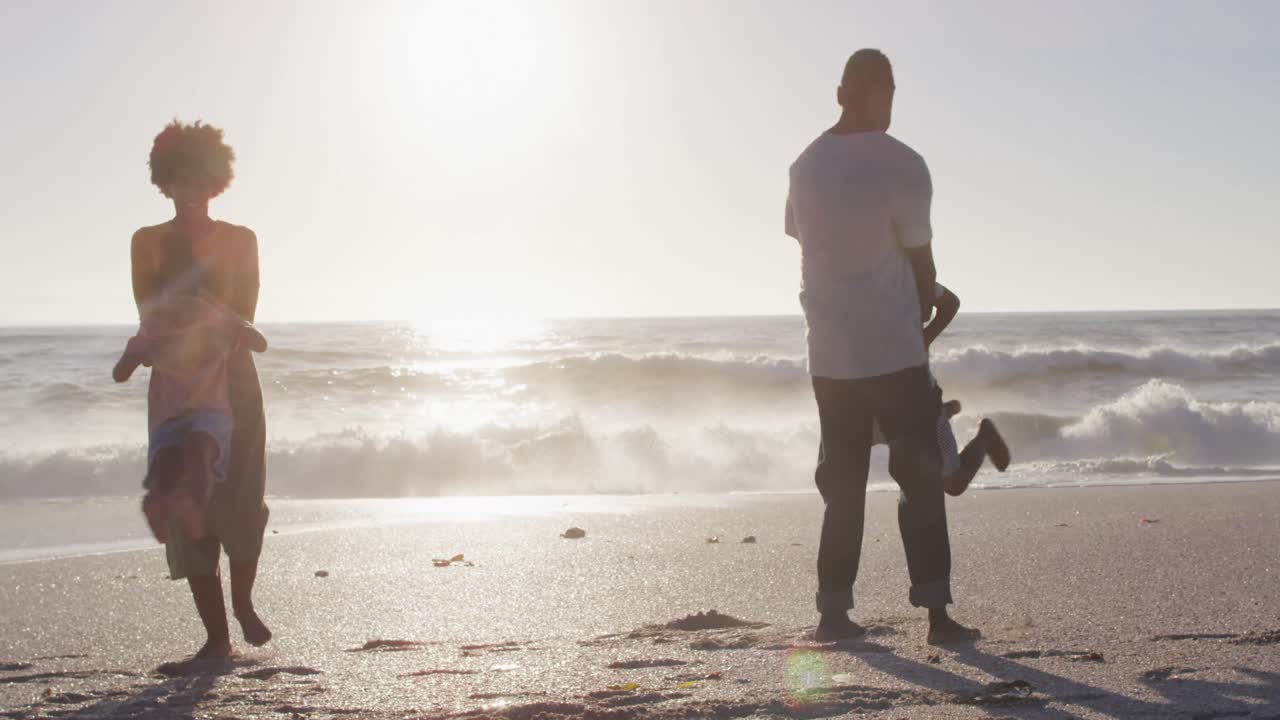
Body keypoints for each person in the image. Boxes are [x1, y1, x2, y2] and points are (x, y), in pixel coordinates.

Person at [785, 49, 979, 644]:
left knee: (841, 484)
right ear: (863, 95)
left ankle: (833, 613)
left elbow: (801, 238)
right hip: (894, 350)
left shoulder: (804, 165)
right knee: (918, 479)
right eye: (885, 94)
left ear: (839, 94)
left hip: (831, 353)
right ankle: (937, 616)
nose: (888, 106)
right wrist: (925, 308)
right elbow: (921, 258)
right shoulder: (904, 163)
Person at [130, 120, 272, 663]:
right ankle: (215, 637)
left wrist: (208, 320)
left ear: (216, 181)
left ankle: (243, 604)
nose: (188, 192)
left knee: (241, 495)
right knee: (186, 498)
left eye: (198, 181)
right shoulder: (146, 241)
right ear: (163, 183)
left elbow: (246, 316)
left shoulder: (241, 240)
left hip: (234, 382)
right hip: (176, 382)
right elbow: (150, 314)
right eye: (177, 182)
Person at [113, 291, 268, 543]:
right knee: (165, 462)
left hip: (210, 413)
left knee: (199, 448)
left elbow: (260, 344)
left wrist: (241, 328)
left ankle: (193, 506)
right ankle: (156, 499)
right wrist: (137, 355)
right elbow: (119, 374)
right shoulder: (154, 326)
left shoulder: (216, 317)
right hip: (168, 418)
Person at [870, 282, 1011, 496]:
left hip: (920, 409)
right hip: (876, 405)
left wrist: (926, 336)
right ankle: (944, 413)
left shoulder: (908, 275)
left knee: (952, 483)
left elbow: (951, 302)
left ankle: (984, 437)